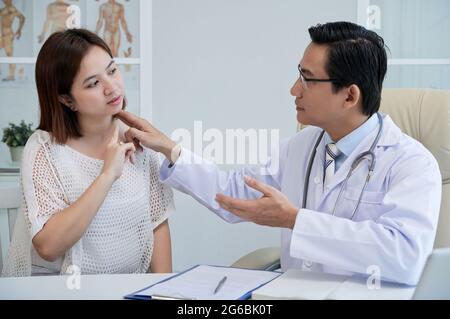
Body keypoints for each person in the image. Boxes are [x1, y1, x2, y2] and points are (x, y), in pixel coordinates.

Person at [115, 22, 442, 286]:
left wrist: (295, 220)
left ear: (349, 95)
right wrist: (169, 148)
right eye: (299, 74)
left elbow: (405, 256)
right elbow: (238, 193)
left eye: (307, 79)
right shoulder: (305, 145)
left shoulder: (411, 163)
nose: (293, 89)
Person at [2, 29, 174, 277]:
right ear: (66, 100)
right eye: (93, 83)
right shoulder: (44, 149)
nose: (111, 87)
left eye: (112, 70)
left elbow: (157, 222)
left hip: (126, 289)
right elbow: (48, 247)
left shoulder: (140, 138)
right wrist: (107, 175)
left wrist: (163, 291)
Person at [0, 0, 25, 81]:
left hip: (8, 34)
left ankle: (11, 75)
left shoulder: (12, 9)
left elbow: (22, 17)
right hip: (2, 34)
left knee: (9, 54)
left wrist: (19, 29)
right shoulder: (3, 9)